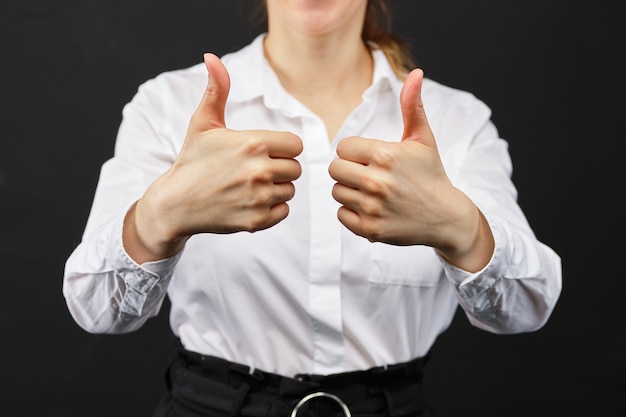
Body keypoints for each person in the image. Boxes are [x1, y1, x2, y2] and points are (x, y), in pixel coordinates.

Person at [62, 0, 562, 416]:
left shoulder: (458, 121)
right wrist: (160, 216)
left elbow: (526, 309)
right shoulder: (168, 105)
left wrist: (463, 229)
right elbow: (98, 309)